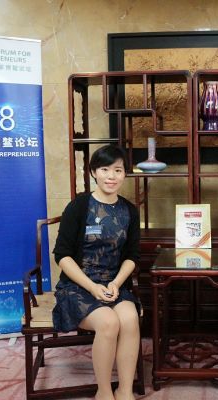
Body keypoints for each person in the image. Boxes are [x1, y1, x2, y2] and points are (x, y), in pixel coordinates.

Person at [52, 145, 140, 400]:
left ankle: (125, 391)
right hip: (78, 287)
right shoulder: (79, 206)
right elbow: (62, 255)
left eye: (118, 170)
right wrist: (92, 287)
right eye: (104, 169)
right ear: (93, 172)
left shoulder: (129, 211)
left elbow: (132, 256)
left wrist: (117, 283)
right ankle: (104, 392)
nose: (111, 176)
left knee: (130, 319)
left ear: (125, 174)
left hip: (113, 285)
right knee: (109, 323)